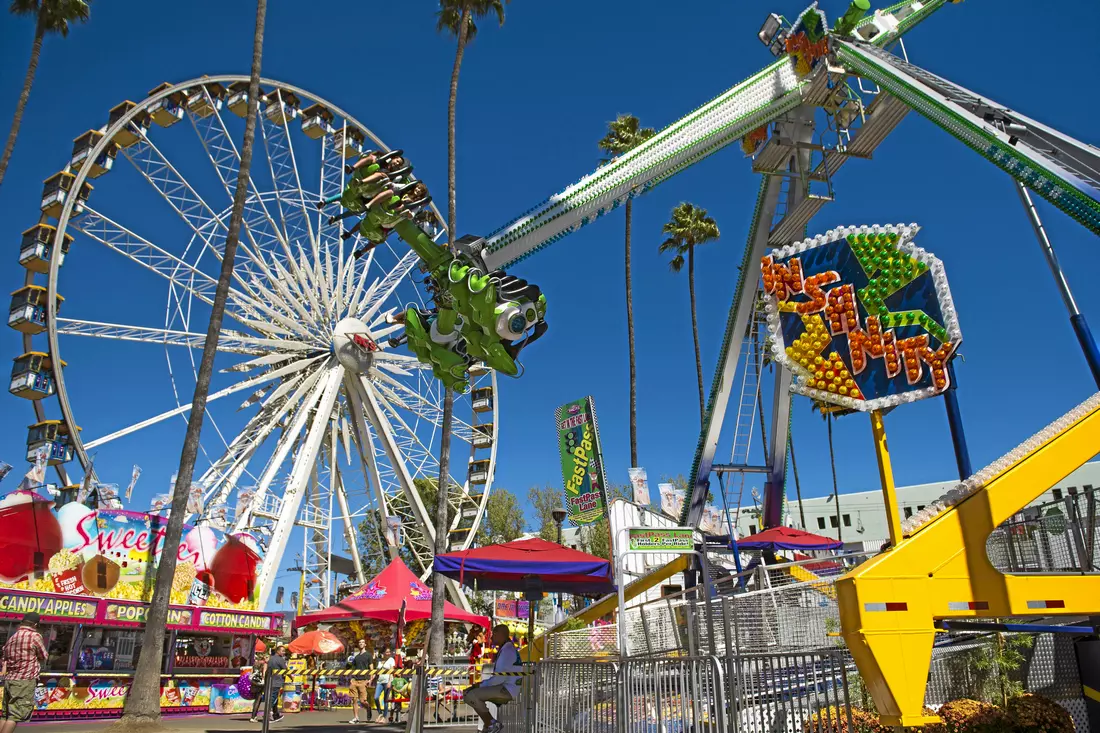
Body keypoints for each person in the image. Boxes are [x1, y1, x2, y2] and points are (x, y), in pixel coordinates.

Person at [464, 625, 524, 733]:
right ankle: (489, 725)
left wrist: (479, 685)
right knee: (471, 693)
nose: (491, 638)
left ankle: (492, 724)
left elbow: (498, 679)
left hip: (507, 689)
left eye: (493, 634)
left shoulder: (507, 651)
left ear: (500, 634)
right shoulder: (507, 648)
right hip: (508, 687)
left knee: (470, 694)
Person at [0, 612, 47, 733]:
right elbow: (43, 655)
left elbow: (4, 656)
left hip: (10, 680)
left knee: (6, 715)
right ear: (36, 624)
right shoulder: (34, 636)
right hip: (24, 680)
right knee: (15, 716)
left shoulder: (13, 637)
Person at [346, 639, 373, 724]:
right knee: (354, 699)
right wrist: (351, 678)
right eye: (359, 642)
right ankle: (356, 718)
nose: (361, 644)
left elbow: (371, 669)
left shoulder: (368, 655)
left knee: (362, 701)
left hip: (363, 680)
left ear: (365, 644)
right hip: (355, 680)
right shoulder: (356, 657)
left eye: (362, 642)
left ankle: (368, 708)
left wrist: (370, 680)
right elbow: (353, 669)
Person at [261, 644, 288, 723]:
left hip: (269, 681)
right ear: (278, 651)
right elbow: (286, 669)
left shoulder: (270, 658)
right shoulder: (280, 659)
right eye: (282, 651)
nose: (284, 652)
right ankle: (267, 716)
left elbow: (265, 667)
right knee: (273, 699)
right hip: (276, 682)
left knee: (273, 699)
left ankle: (276, 715)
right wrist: (291, 677)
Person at [373, 646, 396, 723]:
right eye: (387, 652)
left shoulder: (391, 660)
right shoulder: (379, 661)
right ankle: (380, 713)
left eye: (389, 652)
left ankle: (384, 717)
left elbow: (392, 671)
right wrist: (371, 680)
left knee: (385, 700)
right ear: (383, 653)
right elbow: (376, 672)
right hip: (379, 681)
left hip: (387, 681)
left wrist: (390, 681)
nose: (388, 653)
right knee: (376, 697)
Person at [248, 655, 269, 723]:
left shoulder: (254, 664)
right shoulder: (264, 664)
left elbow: (250, 674)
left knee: (256, 699)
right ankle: (253, 716)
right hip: (260, 684)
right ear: (263, 659)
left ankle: (254, 716)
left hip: (254, 683)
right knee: (258, 699)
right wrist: (263, 680)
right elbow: (264, 673)